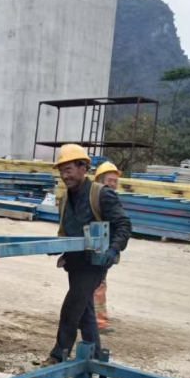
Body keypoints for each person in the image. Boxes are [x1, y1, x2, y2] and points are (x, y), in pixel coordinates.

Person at [49, 145, 131, 363]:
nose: (65, 175)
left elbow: (123, 224)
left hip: (94, 264)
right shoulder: (65, 199)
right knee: (85, 313)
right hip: (74, 264)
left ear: (83, 168)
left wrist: (114, 249)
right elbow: (66, 231)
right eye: (61, 171)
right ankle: (95, 359)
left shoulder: (101, 194)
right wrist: (56, 245)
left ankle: (58, 358)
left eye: (68, 170)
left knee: (71, 310)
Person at [92, 161, 122, 333]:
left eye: (115, 181)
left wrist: (114, 248)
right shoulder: (95, 198)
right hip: (96, 247)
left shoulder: (110, 200)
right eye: (110, 180)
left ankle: (91, 319)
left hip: (105, 247)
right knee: (98, 284)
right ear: (100, 180)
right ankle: (98, 322)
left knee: (97, 283)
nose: (113, 184)